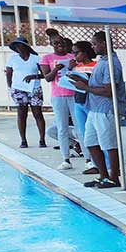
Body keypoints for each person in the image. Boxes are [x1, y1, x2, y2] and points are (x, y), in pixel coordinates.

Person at [68, 31, 125, 189]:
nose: (92, 47)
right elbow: (98, 84)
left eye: (94, 44)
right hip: (94, 108)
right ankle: (103, 175)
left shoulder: (111, 63)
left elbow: (109, 90)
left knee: (109, 144)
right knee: (90, 142)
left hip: (106, 109)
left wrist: (85, 87)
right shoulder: (102, 61)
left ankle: (114, 177)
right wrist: (82, 81)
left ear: (104, 44)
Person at [39, 36, 77, 168]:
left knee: (79, 127)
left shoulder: (73, 57)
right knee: (62, 128)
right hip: (58, 95)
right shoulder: (47, 58)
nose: (59, 44)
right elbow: (48, 78)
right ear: (51, 44)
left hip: (73, 94)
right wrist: (56, 69)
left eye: (61, 42)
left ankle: (89, 159)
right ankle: (66, 159)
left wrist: (71, 67)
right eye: (56, 43)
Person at [5, 38, 45, 149]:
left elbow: (45, 74)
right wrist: (10, 86)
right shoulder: (12, 59)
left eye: (20, 45)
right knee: (22, 114)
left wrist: (34, 76)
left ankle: (42, 139)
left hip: (34, 88)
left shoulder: (36, 58)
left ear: (26, 46)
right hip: (18, 89)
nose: (18, 48)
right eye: (16, 46)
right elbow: (9, 73)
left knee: (38, 113)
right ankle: (23, 140)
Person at [68, 41, 96, 174]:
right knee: (84, 133)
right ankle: (89, 159)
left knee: (93, 132)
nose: (74, 56)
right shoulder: (76, 67)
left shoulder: (96, 66)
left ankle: (97, 161)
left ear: (85, 52)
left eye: (76, 53)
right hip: (78, 100)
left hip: (91, 101)